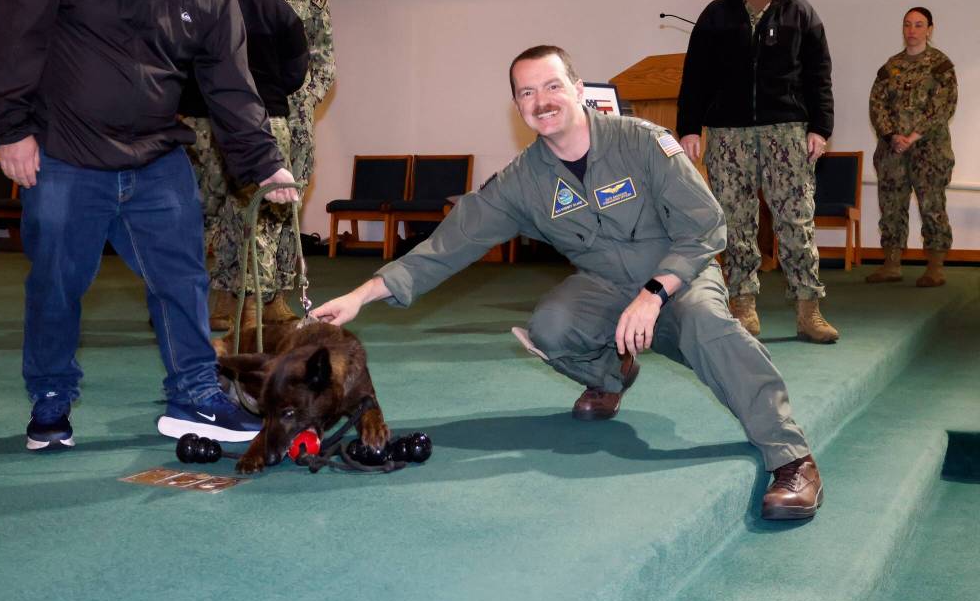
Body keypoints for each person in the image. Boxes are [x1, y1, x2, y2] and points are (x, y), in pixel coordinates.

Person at [312, 45, 824, 520]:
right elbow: (447, 246)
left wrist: (655, 293)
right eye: (527, 92)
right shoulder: (521, 181)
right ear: (518, 107)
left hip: (679, 276)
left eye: (552, 86)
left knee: (711, 328)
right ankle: (609, 376)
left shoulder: (641, 141)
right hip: (604, 287)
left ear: (579, 90)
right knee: (551, 328)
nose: (542, 101)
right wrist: (360, 296)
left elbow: (707, 225)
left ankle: (791, 458)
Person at [0, 0, 300, 451]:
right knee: (57, 284)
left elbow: (232, 85)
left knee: (183, 280)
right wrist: (11, 129)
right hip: (65, 153)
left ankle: (194, 394)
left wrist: (265, 163)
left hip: (155, 155)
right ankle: (52, 396)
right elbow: (9, 38)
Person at [676, 0, 838, 344]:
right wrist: (690, 127)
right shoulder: (717, 14)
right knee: (736, 222)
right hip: (729, 134)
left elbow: (819, 75)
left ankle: (808, 310)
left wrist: (821, 127)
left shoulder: (801, 12)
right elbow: (696, 76)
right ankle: (742, 302)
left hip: (787, 131)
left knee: (796, 220)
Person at [179, 0, 309, 336]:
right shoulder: (278, 7)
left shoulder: (194, 8)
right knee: (258, 221)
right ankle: (252, 312)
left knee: (196, 217)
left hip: (202, 125)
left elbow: (175, 65)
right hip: (267, 123)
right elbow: (296, 72)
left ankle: (187, 307)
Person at [246, 0, 336, 318]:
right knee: (239, 207)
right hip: (242, 114)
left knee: (287, 202)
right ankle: (233, 293)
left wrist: (305, 99)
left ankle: (276, 296)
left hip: (293, 118)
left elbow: (324, 55)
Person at [866, 7, 957, 287]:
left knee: (932, 205)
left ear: (929, 29)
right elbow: (877, 103)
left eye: (919, 25)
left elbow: (944, 106)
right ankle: (892, 264)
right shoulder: (890, 66)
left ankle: (935, 266)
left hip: (929, 150)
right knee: (891, 205)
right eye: (908, 25)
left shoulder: (941, 65)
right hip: (892, 150)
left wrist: (913, 135)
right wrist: (893, 134)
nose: (912, 30)